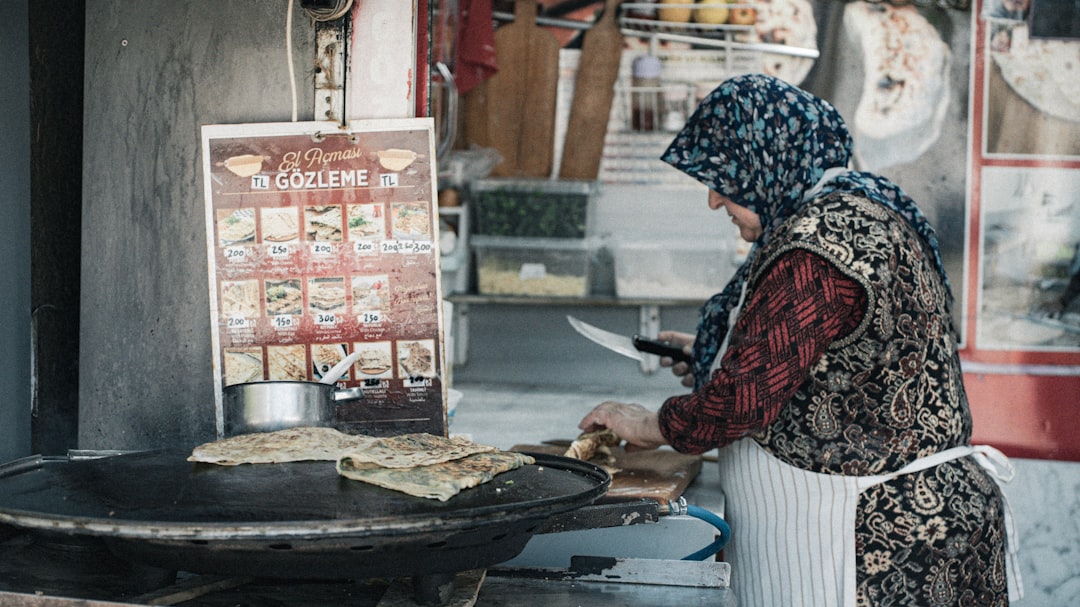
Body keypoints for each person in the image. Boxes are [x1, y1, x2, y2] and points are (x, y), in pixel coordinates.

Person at [578, 74, 1021, 606]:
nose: (715, 200)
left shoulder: (816, 248)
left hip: (869, 546)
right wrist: (716, 351)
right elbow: (832, 355)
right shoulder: (855, 210)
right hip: (862, 528)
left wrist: (648, 424)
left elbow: (741, 402)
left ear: (767, 160)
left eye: (724, 176)